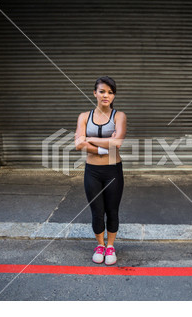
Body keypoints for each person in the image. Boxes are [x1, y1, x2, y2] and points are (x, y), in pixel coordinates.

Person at [75, 76, 127, 266]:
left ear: (114, 96)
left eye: (110, 92)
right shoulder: (84, 116)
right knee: (97, 211)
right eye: (102, 91)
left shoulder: (119, 116)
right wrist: (106, 147)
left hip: (113, 170)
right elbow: (78, 145)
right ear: (95, 93)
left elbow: (118, 143)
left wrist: (89, 138)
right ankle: (100, 245)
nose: (106, 95)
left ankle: (111, 246)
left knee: (112, 210)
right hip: (93, 171)